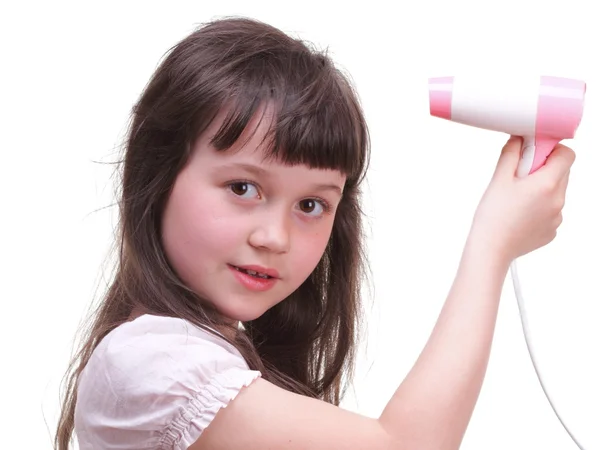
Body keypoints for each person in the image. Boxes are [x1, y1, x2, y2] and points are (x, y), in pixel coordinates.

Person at [54, 16, 575, 450]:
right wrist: (491, 246)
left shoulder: (210, 359)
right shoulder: (150, 362)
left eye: (311, 204)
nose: (275, 237)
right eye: (242, 187)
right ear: (159, 174)